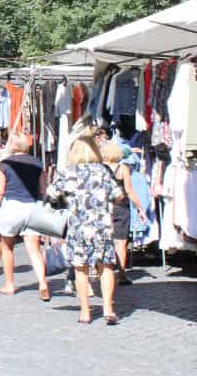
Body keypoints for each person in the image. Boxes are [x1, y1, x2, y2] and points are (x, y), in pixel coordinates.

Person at [47, 135, 124, 324]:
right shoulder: (103, 171)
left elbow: (52, 199)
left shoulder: (68, 173)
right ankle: (108, 308)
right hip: (101, 226)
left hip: (78, 227)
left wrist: (70, 202)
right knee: (106, 267)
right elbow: (118, 195)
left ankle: (85, 312)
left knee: (80, 269)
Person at [0, 132, 50, 300]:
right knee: (34, 249)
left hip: (12, 206)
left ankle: (9, 284)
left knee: (7, 247)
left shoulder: (5, 164)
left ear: (12, 145)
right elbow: (44, 190)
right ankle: (42, 283)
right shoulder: (37, 163)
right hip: (32, 207)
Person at [99, 138, 147, 289]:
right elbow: (129, 191)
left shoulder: (99, 169)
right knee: (121, 242)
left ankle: (100, 271)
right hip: (121, 207)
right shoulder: (123, 169)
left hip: (104, 208)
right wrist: (140, 208)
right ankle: (121, 274)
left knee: (102, 240)